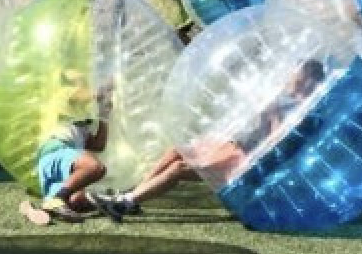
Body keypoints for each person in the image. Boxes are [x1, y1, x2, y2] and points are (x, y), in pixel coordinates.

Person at [92, 59, 326, 219]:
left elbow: (277, 146)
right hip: (235, 146)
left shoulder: (306, 113)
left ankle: (125, 203)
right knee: (178, 150)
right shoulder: (285, 96)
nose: (289, 79)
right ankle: (135, 194)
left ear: (308, 81)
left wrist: (272, 113)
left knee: (179, 168)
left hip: (249, 162)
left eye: (296, 76)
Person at [19, 72, 115, 225]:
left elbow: (98, 145)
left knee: (77, 201)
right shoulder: (61, 96)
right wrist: (113, 79)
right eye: (80, 81)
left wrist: (104, 116)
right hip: (55, 151)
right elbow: (94, 93)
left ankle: (44, 205)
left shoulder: (80, 124)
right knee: (94, 167)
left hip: (59, 164)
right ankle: (59, 198)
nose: (85, 85)